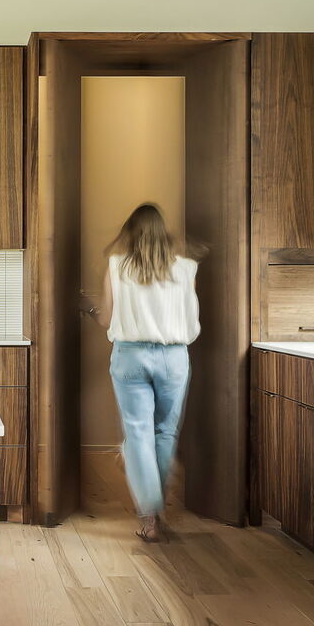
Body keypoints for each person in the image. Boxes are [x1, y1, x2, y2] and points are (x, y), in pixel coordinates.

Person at [91, 203, 202, 543]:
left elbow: (108, 320)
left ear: (131, 233)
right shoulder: (185, 268)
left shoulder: (116, 266)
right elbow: (190, 315)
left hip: (130, 356)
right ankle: (157, 505)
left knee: (138, 433)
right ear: (162, 232)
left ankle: (150, 518)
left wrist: (93, 312)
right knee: (165, 432)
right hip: (173, 357)